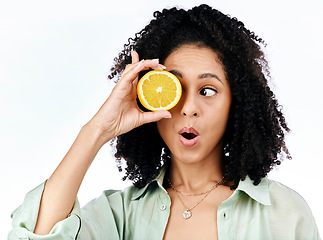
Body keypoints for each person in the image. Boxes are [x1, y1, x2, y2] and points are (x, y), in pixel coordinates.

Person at [8, 4, 320, 240]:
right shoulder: (120, 215)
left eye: (208, 90)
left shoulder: (284, 213)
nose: (189, 108)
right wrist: (96, 131)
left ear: (235, 104)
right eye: (175, 89)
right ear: (153, 99)